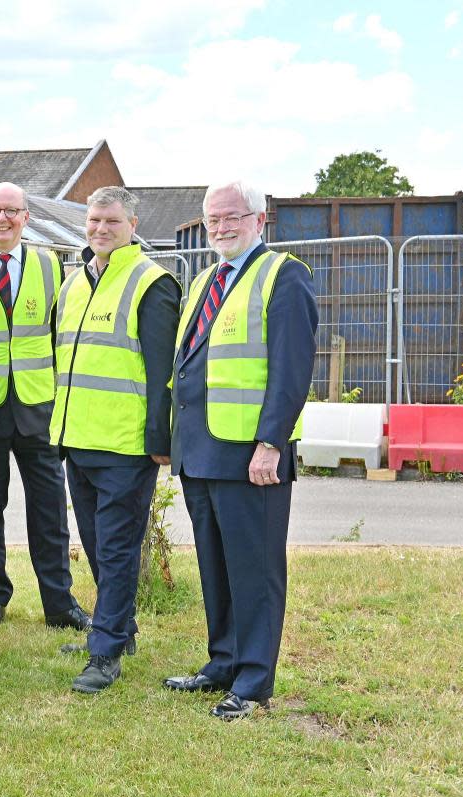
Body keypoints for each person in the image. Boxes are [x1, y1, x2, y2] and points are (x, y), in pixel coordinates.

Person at [164, 180, 317, 719]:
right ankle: (223, 662)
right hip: (201, 452)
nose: (222, 228)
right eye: (213, 220)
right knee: (216, 567)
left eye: (232, 217)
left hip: (252, 456)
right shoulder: (205, 279)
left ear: (259, 219)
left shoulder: (284, 276)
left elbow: (291, 371)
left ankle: (252, 683)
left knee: (254, 571)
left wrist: (271, 443)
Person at [49, 187, 180, 694]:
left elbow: (162, 369)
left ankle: (104, 653)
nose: (100, 229)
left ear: (133, 223)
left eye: (111, 221)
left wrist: (157, 437)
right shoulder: (74, 283)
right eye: (94, 220)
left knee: (118, 548)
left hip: (126, 446)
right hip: (77, 438)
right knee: (97, 546)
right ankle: (119, 628)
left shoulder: (151, 283)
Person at [0, 181, 89, 632]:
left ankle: (59, 602)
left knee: (50, 510)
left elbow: (65, 335)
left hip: (39, 406)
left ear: (26, 218)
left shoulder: (50, 266)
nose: (2, 219)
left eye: (11, 211)